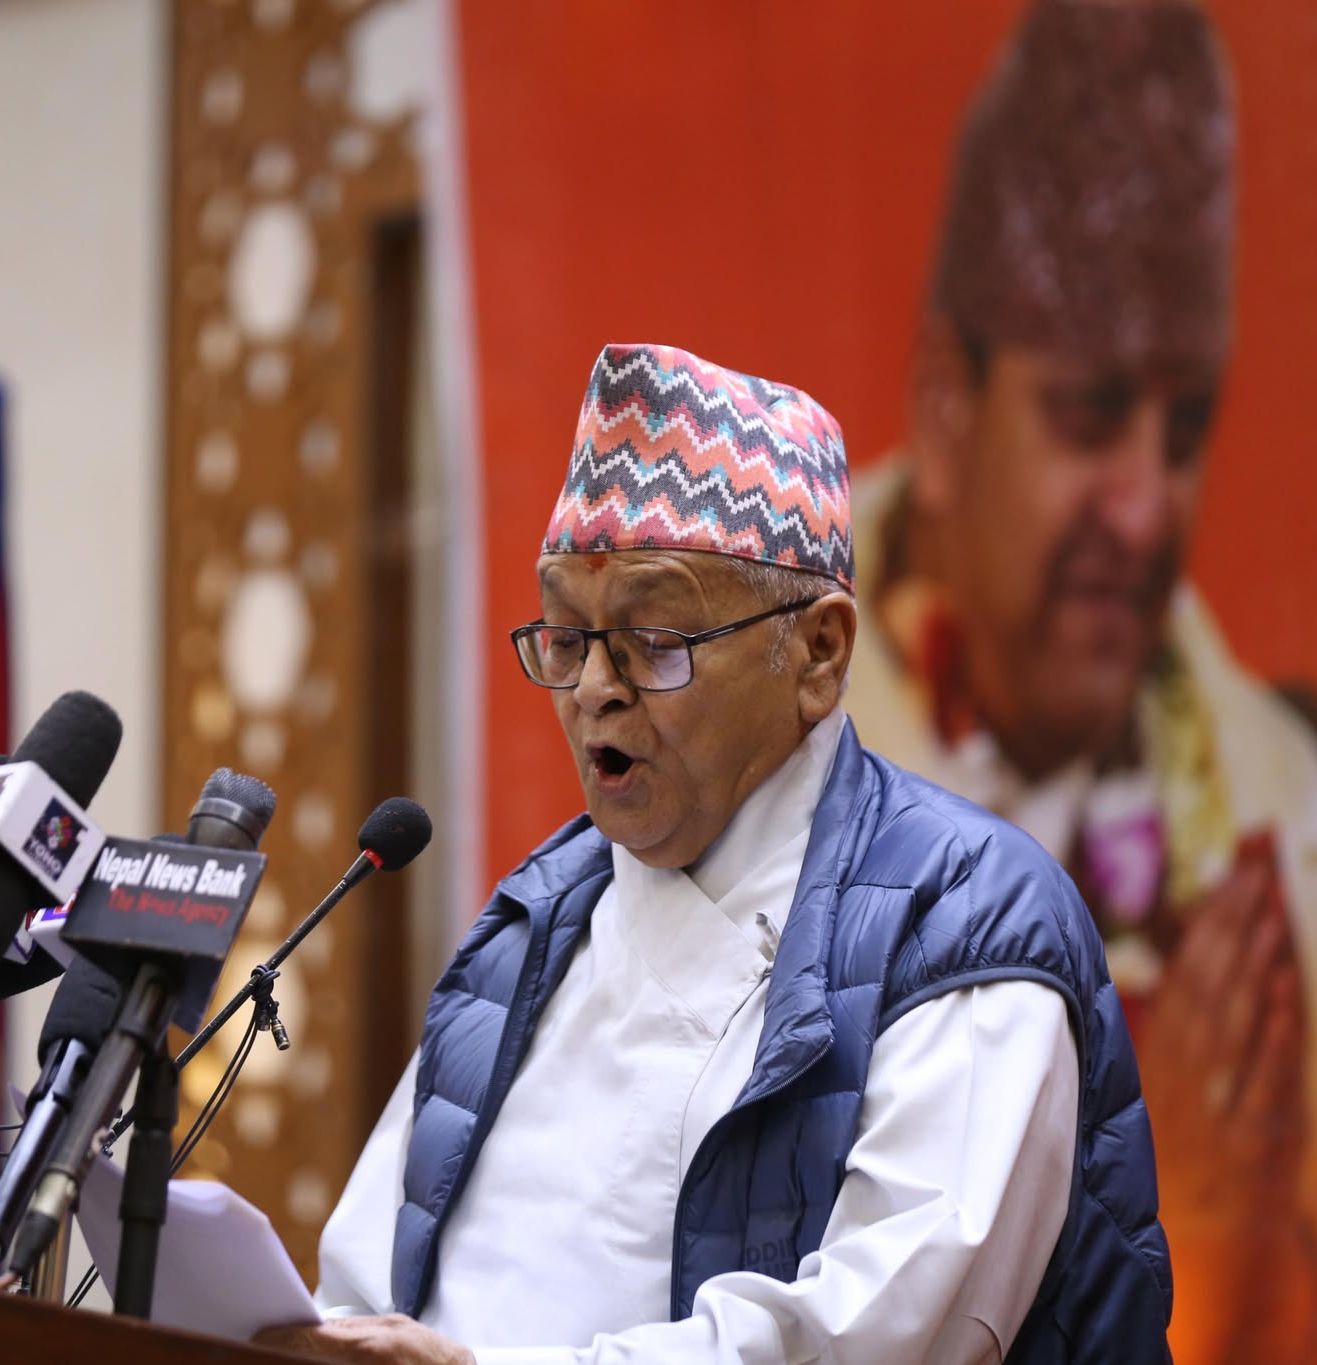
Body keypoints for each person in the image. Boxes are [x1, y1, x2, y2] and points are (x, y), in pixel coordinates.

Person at [261, 342, 1170, 1364]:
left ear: (818, 652)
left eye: (654, 641)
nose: (592, 690)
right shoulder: (525, 934)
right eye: (565, 637)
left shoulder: (966, 917)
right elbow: (361, 1296)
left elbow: (880, 1335)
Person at [844, 1, 1317, 1359]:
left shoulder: (1279, 803)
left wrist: (1261, 1246)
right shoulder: (766, 771)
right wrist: (1183, 1223)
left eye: (1184, 432)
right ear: (943, 408)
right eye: (1091, 414)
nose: (1147, 508)